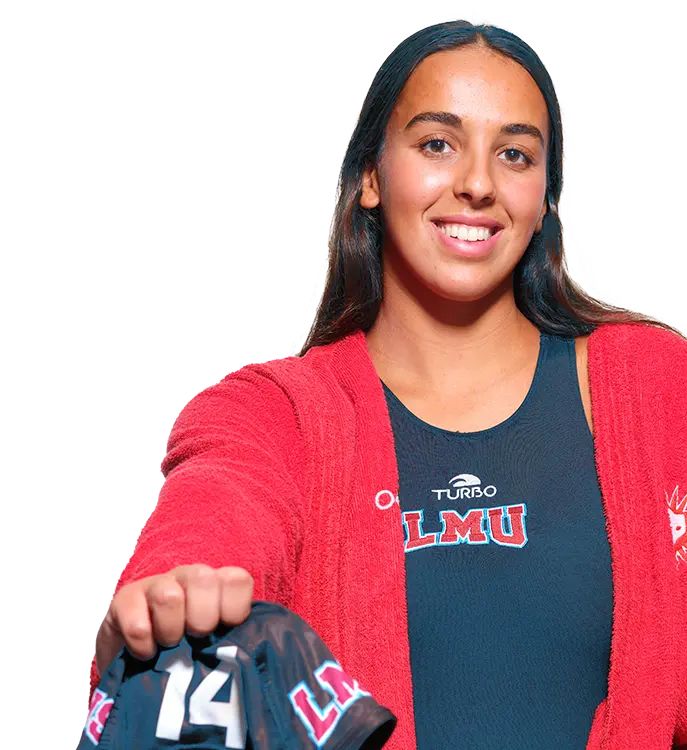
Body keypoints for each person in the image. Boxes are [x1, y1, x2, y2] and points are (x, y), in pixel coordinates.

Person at [89, 19, 687, 750]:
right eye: (437, 144)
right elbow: (220, 503)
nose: (477, 183)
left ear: (544, 201)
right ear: (371, 177)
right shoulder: (278, 414)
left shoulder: (658, 389)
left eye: (514, 154)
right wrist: (177, 587)